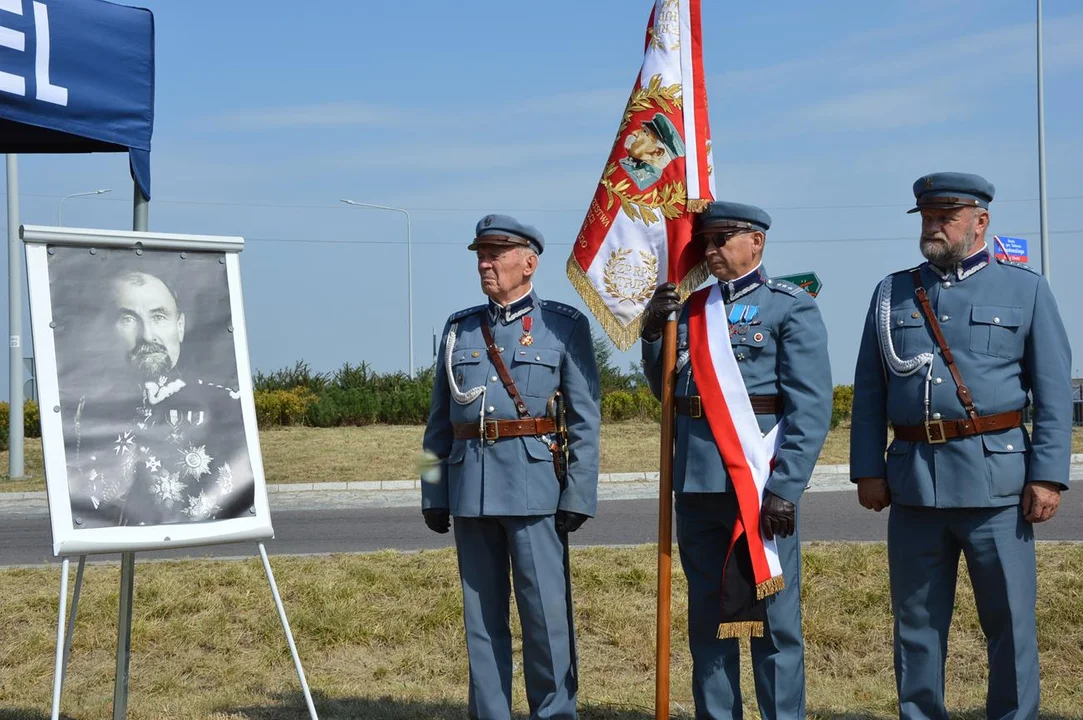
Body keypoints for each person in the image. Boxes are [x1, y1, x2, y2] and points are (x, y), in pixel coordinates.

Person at [850, 172, 1073, 719]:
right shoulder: (892, 292)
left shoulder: (1027, 290)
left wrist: (1047, 475)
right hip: (914, 486)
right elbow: (870, 389)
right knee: (917, 627)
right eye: (926, 217)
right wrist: (867, 470)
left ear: (981, 222)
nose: (933, 227)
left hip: (996, 487)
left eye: (945, 218)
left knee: (1010, 623)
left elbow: (1052, 392)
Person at [641, 201, 832, 719]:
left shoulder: (788, 307)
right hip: (697, 482)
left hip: (758, 487)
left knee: (773, 624)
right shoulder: (694, 308)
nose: (710, 250)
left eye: (722, 240)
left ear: (756, 243)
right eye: (706, 241)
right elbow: (665, 390)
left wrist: (786, 488)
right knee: (707, 621)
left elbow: (811, 409)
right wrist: (654, 332)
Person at [421, 213, 601, 720]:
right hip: (470, 491)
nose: (485, 263)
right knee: (481, 622)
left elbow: (586, 419)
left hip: (535, 489)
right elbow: (437, 422)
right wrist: (432, 492)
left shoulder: (563, 326)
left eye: (495, 254)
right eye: (480, 254)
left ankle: (554, 712)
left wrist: (578, 495)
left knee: (545, 618)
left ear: (529, 263)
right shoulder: (459, 329)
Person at [64, 268, 254, 528]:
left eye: (159, 316)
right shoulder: (84, 413)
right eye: (128, 319)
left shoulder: (227, 406)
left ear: (180, 327)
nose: (147, 336)